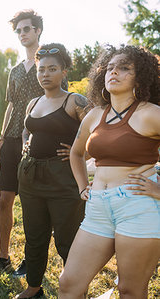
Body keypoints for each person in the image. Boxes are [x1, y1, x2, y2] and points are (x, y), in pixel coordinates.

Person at [59, 45, 159, 298]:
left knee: (130, 291)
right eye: (110, 67)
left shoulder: (151, 114)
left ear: (141, 77)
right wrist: (83, 185)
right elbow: (76, 152)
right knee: (68, 285)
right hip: (98, 208)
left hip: (138, 207)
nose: (114, 72)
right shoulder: (94, 115)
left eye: (125, 68)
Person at [0, 9, 67, 275]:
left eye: (27, 29)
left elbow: (61, 103)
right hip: (13, 139)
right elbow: (11, 105)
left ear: (37, 30)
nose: (22, 34)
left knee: (32, 204)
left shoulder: (50, 66)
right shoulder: (14, 70)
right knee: (4, 199)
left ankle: (31, 260)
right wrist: (2, 138)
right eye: (19, 31)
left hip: (39, 142)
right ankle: (3, 258)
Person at [15, 43, 87, 298]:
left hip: (62, 178)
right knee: (34, 236)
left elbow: (100, 132)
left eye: (52, 69)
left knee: (66, 240)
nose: (45, 74)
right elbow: (28, 129)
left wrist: (80, 152)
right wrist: (26, 142)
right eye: (41, 69)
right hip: (30, 177)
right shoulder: (33, 102)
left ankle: (75, 289)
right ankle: (34, 287)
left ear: (64, 71)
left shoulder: (75, 101)